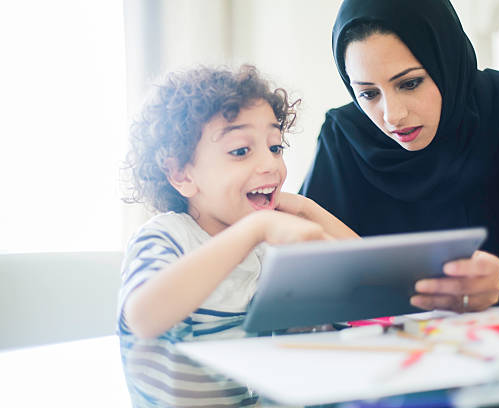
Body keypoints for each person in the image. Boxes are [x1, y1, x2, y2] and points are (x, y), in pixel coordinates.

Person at [300, 0, 499, 313]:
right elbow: (304, 269)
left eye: (410, 83)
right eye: (369, 94)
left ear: (444, 60)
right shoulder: (344, 136)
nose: (393, 116)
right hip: (390, 353)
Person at [117, 65, 358, 407]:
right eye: (241, 151)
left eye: (275, 147)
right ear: (181, 173)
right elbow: (143, 318)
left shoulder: (268, 249)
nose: (272, 165)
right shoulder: (166, 237)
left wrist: (306, 208)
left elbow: (372, 283)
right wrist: (254, 229)